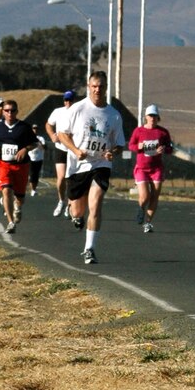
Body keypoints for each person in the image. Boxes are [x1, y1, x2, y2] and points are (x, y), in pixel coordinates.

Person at [58, 71, 125, 265]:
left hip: (101, 164)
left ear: (106, 88)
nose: (97, 90)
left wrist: (113, 152)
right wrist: (75, 150)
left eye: (101, 86)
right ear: (89, 87)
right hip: (78, 165)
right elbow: (62, 134)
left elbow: (119, 143)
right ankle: (72, 211)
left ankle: (89, 249)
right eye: (94, 86)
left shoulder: (114, 115)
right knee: (78, 212)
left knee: (95, 205)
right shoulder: (78, 109)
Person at [0, 99, 38, 234]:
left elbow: (35, 143)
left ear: (17, 111)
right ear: (3, 111)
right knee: (6, 190)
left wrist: (25, 149)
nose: (10, 113)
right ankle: (10, 223)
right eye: (7, 110)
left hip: (21, 166)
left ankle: (17, 205)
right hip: (4, 164)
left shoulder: (24, 127)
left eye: (12, 110)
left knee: (20, 197)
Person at [128, 104, 173, 233]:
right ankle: (141, 208)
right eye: (150, 116)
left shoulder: (163, 132)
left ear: (158, 117)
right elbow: (131, 145)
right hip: (142, 168)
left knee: (155, 195)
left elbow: (170, 148)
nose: (152, 118)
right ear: (145, 117)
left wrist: (164, 149)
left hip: (156, 168)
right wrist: (140, 146)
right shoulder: (139, 131)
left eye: (155, 116)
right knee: (144, 196)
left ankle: (148, 223)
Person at [45, 90, 76, 217]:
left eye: (70, 100)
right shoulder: (58, 111)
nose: (67, 102)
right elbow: (48, 124)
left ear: (74, 101)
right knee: (61, 178)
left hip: (73, 149)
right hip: (60, 148)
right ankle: (61, 201)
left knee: (71, 179)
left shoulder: (78, 112)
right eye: (65, 100)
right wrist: (52, 135)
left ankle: (70, 205)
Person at [28, 124, 46, 196]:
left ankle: (34, 189)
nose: (35, 130)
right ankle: (32, 189)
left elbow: (44, 148)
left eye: (36, 129)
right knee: (32, 174)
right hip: (30, 158)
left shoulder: (41, 138)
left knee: (36, 174)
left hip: (39, 158)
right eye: (33, 128)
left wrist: (39, 142)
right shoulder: (28, 138)